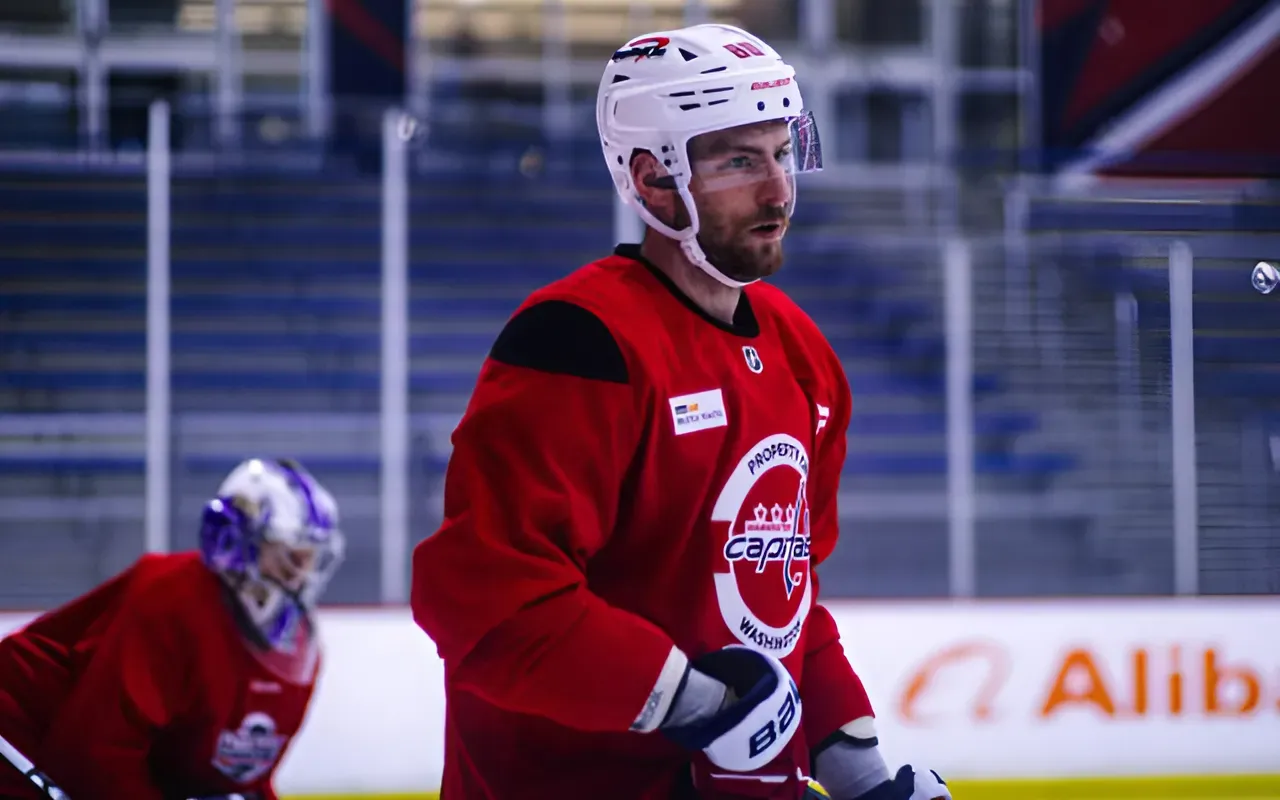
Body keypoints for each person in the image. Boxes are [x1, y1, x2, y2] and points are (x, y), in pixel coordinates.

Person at [410, 22, 951, 800]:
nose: (779, 190)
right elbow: (488, 602)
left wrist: (857, 767)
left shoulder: (804, 352)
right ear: (654, 180)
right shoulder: (576, 341)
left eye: (782, 151)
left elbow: (780, 601)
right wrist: (693, 704)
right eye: (738, 160)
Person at [0, 458, 345, 800]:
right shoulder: (171, 599)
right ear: (238, 543)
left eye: (310, 556)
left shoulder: (283, 638)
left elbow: (224, 779)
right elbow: (96, 755)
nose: (301, 573)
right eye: (288, 554)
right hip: (20, 748)